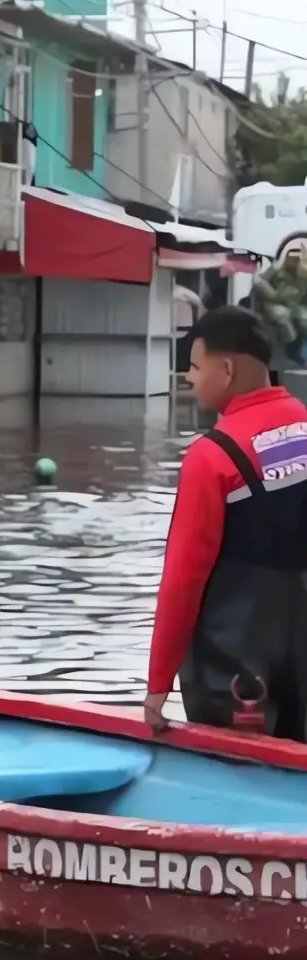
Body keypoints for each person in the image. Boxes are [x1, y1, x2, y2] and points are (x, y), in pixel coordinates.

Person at [144, 305, 307, 740]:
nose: (190, 378)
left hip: (237, 669)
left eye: (196, 366)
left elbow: (183, 579)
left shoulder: (212, 457)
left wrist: (157, 686)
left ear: (228, 369)